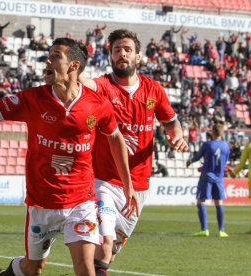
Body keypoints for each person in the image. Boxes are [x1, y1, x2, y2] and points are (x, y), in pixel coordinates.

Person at [0, 38, 138, 276]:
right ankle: (11, 272)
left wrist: (128, 185)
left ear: (74, 65)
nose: (48, 60)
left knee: (86, 269)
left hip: (81, 201)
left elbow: (115, 137)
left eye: (56, 56)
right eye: (49, 55)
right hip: (42, 202)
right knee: (33, 269)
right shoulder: (32, 98)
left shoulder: (97, 104)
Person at [79, 29, 188, 275]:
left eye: (127, 49)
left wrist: (176, 134)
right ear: (110, 56)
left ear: (138, 57)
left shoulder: (154, 90)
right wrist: (76, 61)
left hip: (139, 185)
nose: (122, 54)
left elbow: (171, 121)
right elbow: (84, 82)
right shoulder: (103, 86)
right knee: (104, 244)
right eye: (116, 50)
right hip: (103, 181)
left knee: (110, 253)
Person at [186, 123, 230, 238]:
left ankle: (204, 229)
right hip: (219, 178)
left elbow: (197, 157)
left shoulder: (207, 145)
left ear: (213, 132)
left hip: (207, 177)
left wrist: (190, 161)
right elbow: (224, 162)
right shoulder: (226, 146)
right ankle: (221, 230)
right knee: (219, 203)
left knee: (200, 201)